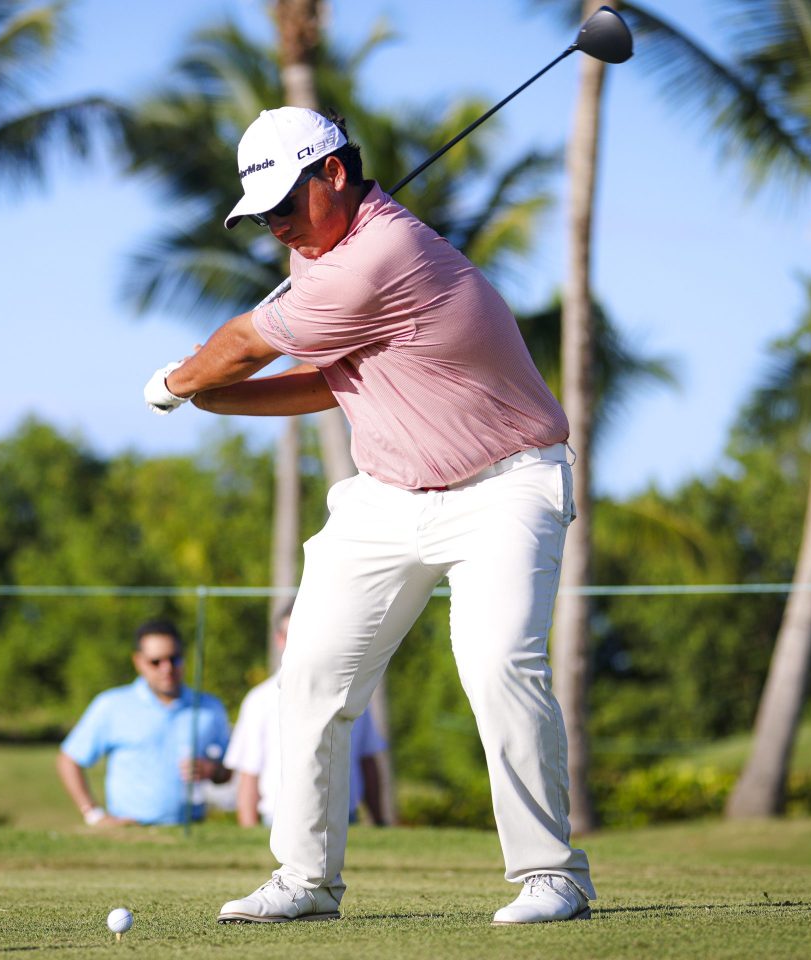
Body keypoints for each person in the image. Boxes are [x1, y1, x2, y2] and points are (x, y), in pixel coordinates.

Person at [142, 107, 595, 925]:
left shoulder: (383, 253)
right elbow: (328, 379)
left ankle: (551, 874)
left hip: (505, 488)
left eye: (287, 204)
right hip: (386, 496)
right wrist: (217, 398)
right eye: (265, 215)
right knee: (308, 678)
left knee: (497, 666)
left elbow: (248, 339)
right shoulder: (320, 258)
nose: (278, 225)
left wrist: (179, 383)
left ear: (335, 175)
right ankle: (305, 880)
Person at [224, 603, 388, 828]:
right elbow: (249, 776)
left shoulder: (350, 695)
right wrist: (249, 832)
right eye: (293, 635)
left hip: (343, 820)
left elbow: (367, 762)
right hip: (279, 822)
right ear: (279, 639)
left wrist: (380, 822)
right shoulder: (259, 701)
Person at [56, 619, 231, 827]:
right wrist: (93, 814)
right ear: (138, 661)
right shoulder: (112, 705)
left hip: (192, 829)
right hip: (131, 830)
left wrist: (213, 770)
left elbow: (231, 769)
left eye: (174, 659)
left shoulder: (209, 708)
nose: (166, 668)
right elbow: (69, 759)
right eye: (155, 662)